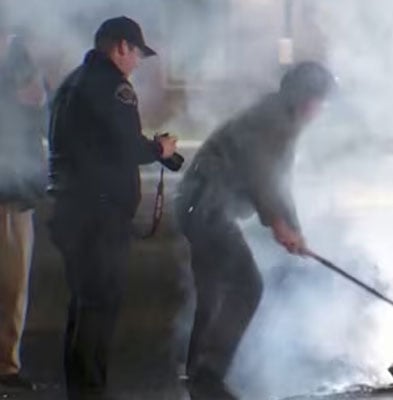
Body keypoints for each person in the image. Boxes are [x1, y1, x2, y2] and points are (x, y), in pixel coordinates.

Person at [175, 61, 335, 399]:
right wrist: (278, 223)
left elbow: (279, 184)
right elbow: (260, 174)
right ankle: (208, 373)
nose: (321, 109)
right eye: (320, 100)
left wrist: (294, 229)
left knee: (213, 291)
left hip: (199, 205)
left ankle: (196, 373)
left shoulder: (281, 120)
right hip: (207, 206)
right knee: (247, 286)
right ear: (304, 97)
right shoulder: (272, 121)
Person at [47, 16, 177, 399]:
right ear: (122, 46)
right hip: (100, 215)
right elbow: (127, 146)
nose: (136, 61)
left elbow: (101, 140)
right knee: (100, 306)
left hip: (72, 209)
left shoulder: (72, 82)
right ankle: (90, 391)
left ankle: (80, 389)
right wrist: (159, 149)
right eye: (136, 53)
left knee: (84, 305)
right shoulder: (116, 87)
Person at [0, 28, 48, 392]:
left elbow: (36, 118)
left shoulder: (21, 61)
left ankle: (6, 363)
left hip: (16, 193)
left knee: (15, 286)